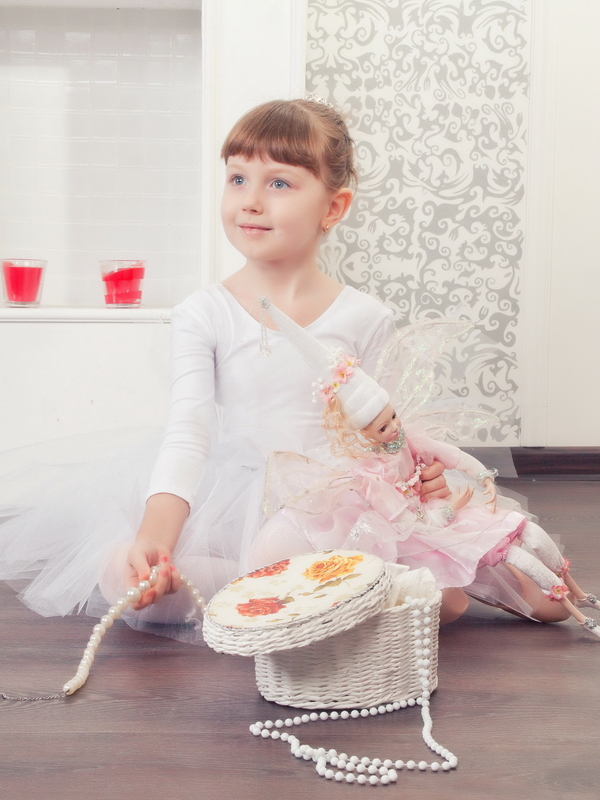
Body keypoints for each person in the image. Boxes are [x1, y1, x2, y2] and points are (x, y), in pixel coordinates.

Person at [0, 98, 462, 643]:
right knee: (127, 580)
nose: (251, 201)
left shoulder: (365, 317)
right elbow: (189, 432)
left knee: (448, 598)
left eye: (279, 183)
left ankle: (276, 589)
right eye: (238, 178)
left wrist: (412, 472)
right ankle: (233, 584)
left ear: (333, 208)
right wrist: (156, 539)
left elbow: (378, 432)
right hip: (232, 496)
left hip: (326, 501)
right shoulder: (204, 312)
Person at [254, 298, 600, 639]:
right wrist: (450, 508)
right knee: (466, 577)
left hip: (434, 506)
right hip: (417, 526)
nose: (394, 427)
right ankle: (563, 606)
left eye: (393, 417)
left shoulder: (409, 438)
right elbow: (408, 521)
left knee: (521, 531)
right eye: (383, 427)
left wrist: (482, 475)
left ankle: (577, 594)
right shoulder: (373, 478)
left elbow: (450, 455)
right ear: (364, 434)